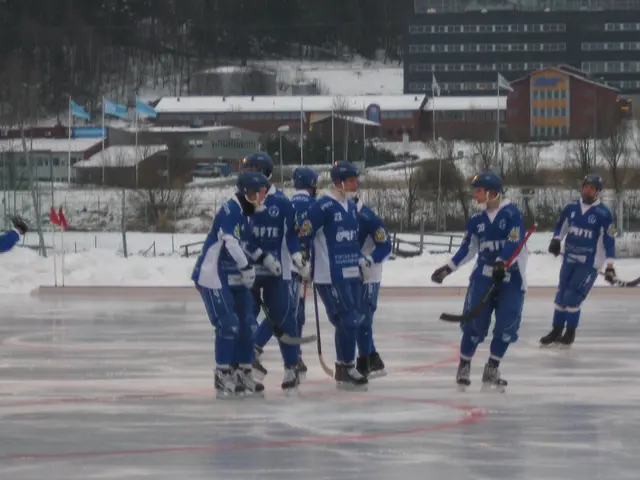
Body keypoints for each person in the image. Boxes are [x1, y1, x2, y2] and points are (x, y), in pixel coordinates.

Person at [430, 172, 528, 391]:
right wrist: (449, 267)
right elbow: (469, 248)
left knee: (506, 326)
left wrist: (502, 263)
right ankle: (464, 365)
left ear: (492, 192)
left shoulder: (512, 214)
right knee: (474, 325)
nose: (475, 195)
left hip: (511, 279)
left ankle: (492, 368)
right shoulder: (476, 220)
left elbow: (515, 241)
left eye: (479, 191)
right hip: (483, 277)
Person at [191, 170, 268, 399]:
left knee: (249, 324)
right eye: (261, 193)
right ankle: (223, 373)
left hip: (235, 276)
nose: (263, 197)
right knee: (229, 324)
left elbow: (246, 243)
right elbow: (231, 242)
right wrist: (247, 267)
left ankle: (243, 371)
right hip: (214, 274)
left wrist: (263, 259)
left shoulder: (248, 212)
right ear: (249, 192)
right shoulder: (231, 210)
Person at [241, 153, 310, 391]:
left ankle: (291, 367)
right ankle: (244, 368)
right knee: (246, 320)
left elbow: (291, 234)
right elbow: (241, 236)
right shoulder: (242, 200)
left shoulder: (281, 202)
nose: (248, 172)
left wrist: (297, 256)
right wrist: (261, 258)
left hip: (277, 274)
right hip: (249, 272)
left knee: (284, 318)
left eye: (253, 168)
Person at [298, 161, 368, 389]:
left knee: (347, 322)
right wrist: (304, 258)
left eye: (355, 180)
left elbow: (351, 239)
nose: (355, 184)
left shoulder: (350, 205)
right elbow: (304, 233)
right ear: (338, 182)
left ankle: (343, 366)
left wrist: (361, 261)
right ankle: (346, 365)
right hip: (329, 274)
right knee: (348, 320)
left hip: (349, 273)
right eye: (350, 180)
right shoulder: (322, 206)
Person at [540, 174, 616, 347]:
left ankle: (570, 333)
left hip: (589, 263)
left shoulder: (604, 214)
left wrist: (610, 266)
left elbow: (609, 241)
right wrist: (556, 240)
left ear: (597, 192)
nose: (587, 190)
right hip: (569, 259)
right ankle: (556, 330)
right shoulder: (571, 208)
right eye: (585, 186)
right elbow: (562, 226)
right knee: (561, 295)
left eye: (591, 188)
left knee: (572, 296)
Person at [354, 197, 391, 378]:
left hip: (369, 276)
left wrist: (368, 260)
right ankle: (373, 358)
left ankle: (364, 362)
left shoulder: (368, 217)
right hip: (350, 275)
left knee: (363, 318)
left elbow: (386, 246)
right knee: (355, 318)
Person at [288, 166, 319, 378]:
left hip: (287, 263)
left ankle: (295, 353)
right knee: (295, 313)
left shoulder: (286, 204)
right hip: (303, 265)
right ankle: (294, 355)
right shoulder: (316, 206)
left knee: (292, 311)